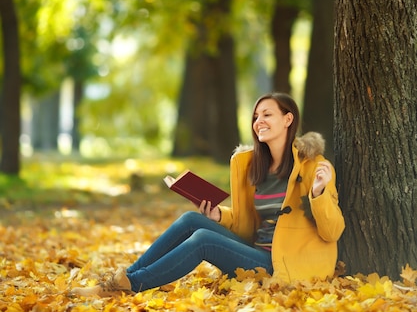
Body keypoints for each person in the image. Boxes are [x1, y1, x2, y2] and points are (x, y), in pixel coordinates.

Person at [70, 92, 345, 297]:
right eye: (256, 116)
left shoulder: (314, 167)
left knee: (203, 239)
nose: (259, 121)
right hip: (254, 252)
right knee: (192, 220)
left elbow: (332, 232)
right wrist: (219, 216)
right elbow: (245, 224)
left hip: (285, 265)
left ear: (288, 119)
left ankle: (132, 285)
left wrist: (319, 192)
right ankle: (120, 280)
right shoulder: (254, 166)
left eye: (267, 114)